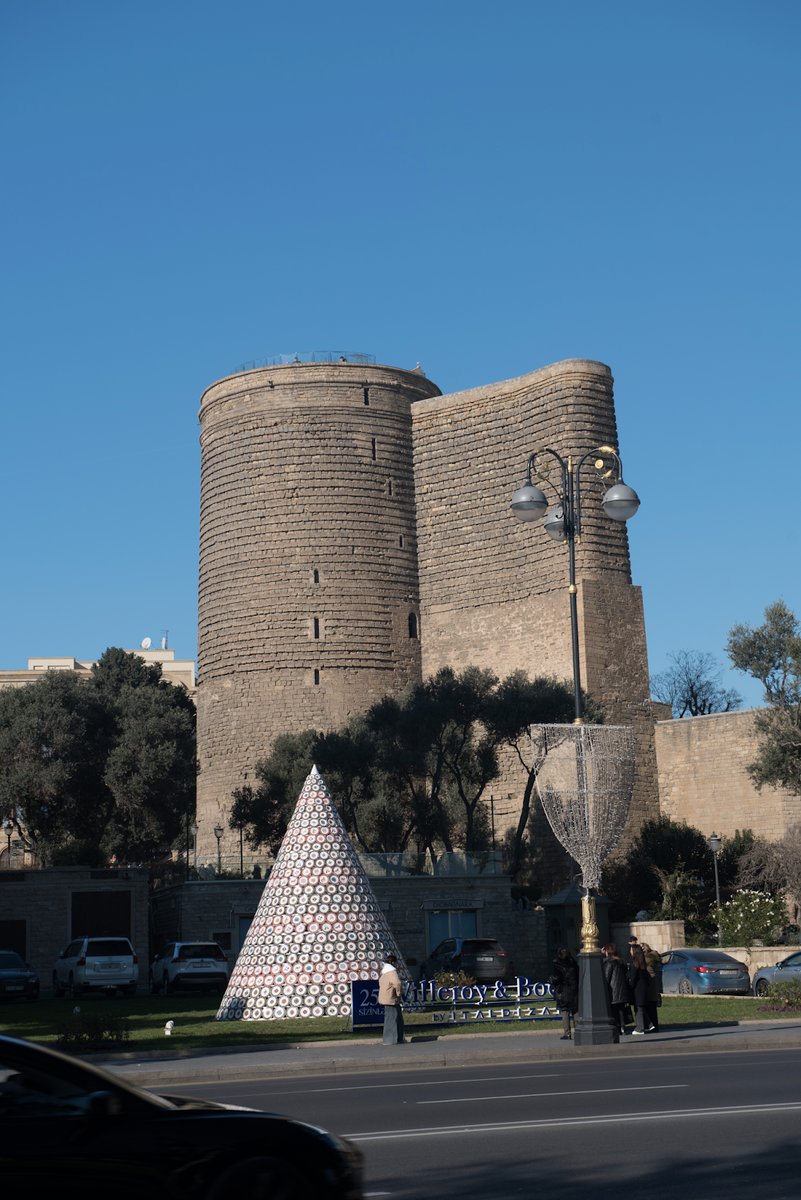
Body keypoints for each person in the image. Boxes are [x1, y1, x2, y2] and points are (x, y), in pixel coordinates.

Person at [549, 946, 579, 1040]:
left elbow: (556, 977)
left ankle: (567, 1033)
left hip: (563, 989)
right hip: (574, 989)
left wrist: (550, 980)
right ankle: (578, 1031)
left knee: (565, 1011)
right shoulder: (573, 963)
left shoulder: (558, 964)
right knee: (575, 1010)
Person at [601, 943, 631, 1034]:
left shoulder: (609, 962)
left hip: (613, 990)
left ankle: (616, 1026)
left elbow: (607, 976)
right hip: (622, 990)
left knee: (614, 1009)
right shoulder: (621, 961)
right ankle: (623, 1027)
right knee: (621, 1009)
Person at [378, 953, 405, 1045]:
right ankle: (390, 1040)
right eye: (396, 962)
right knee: (392, 1019)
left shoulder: (384, 972)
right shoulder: (392, 972)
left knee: (397, 1018)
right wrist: (399, 993)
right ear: (393, 962)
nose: (397, 964)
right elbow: (397, 983)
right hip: (391, 998)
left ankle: (399, 1038)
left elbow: (380, 983)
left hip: (385, 997)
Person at [640, 942, 663, 1032]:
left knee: (650, 1005)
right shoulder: (653, 955)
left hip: (650, 981)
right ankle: (654, 1025)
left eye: (642, 948)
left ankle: (651, 1025)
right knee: (652, 1005)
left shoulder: (648, 957)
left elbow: (641, 963)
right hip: (653, 981)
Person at [628, 945, 650, 1034]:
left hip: (637, 989)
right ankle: (649, 1024)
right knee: (640, 1007)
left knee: (638, 1009)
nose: (630, 951)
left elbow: (632, 978)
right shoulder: (642, 963)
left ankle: (640, 1028)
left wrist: (629, 985)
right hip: (643, 987)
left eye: (631, 949)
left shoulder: (634, 964)